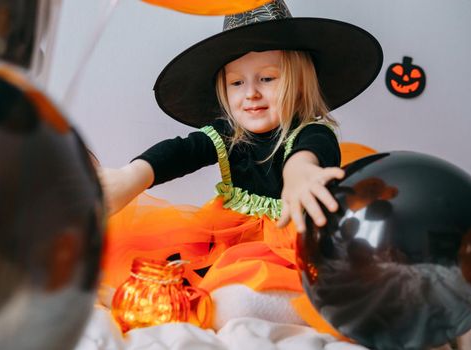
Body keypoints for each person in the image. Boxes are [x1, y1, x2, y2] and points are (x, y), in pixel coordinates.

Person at [99, 0, 383, 334]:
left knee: (241, 297)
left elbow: (307, 155)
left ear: (300, 82)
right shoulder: (229, 135)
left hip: (288, 244)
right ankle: (188, 301)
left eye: (267, 78)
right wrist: (131, 176)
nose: (251, 93)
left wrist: (300, 174)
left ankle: (264, 305)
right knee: (149, 263)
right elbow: (181, 152)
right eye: (237, 83)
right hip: (226, 237)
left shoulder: (311, 133)